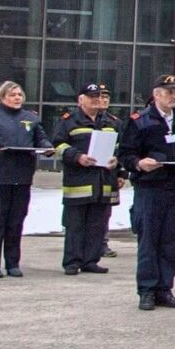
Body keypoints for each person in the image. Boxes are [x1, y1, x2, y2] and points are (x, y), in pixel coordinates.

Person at [118, 74, 175, 309]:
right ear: (157, 94)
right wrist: (139, 164)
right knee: (150, 240)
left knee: (170, 241)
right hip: (150, 188)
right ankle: (147, 290)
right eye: (170, 91)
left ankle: (165, 288)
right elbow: (125, 154)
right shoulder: (140, 120)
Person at [0, 80, 53, 279]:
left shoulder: (30, 117)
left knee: (16, 222)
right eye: (12, 94)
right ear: (2, 97)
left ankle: (13, 263)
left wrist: (47, 147)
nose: (17, 98)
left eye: (19, 95)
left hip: (22, 177)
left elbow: (40, 138)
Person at [49, 83, 122, 275]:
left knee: (98, 224)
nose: (97, 100)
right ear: (81, 99)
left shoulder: (112, 122)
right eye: (92, 97)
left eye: (99, 96)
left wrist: (119, 166)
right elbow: (57, 145)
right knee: (75, 225)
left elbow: (123, 148)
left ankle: (91, 260)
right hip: (79, 181)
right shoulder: (69, 121)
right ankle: (72, 262)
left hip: (104, 181)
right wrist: (77, 157)